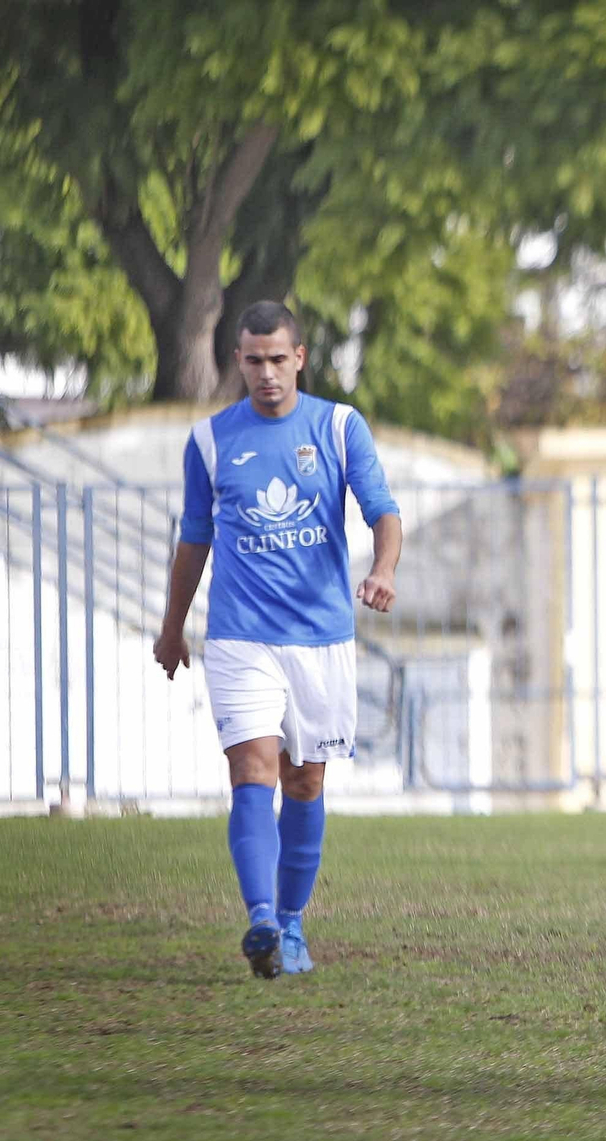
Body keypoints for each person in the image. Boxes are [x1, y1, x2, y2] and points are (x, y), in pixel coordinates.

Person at [153, 301, 401, 980]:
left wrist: (382, 568)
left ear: (300, 358)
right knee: (252, 772)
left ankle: (292, 924)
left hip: (321, 638)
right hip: (240, 638)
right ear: (239, 361)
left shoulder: (340, 427)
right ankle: (261, 917)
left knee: (305, 778)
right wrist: (173, 628)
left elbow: (383, 511)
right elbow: (194, 541)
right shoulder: (208, 441)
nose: (266, 373)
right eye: (253, 360)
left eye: (277, 359)